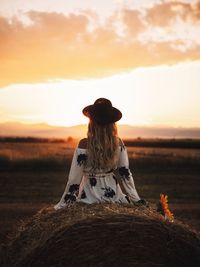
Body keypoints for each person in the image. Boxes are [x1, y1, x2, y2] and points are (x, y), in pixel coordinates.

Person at [39, 98, 146, 214]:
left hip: (88, 197)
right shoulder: (118, 143)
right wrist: (136, 200)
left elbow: (74, 179)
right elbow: (125, 174)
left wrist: (61, 206)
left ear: (91, 122)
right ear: (112, 124)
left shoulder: (84, 144)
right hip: (114, 196)